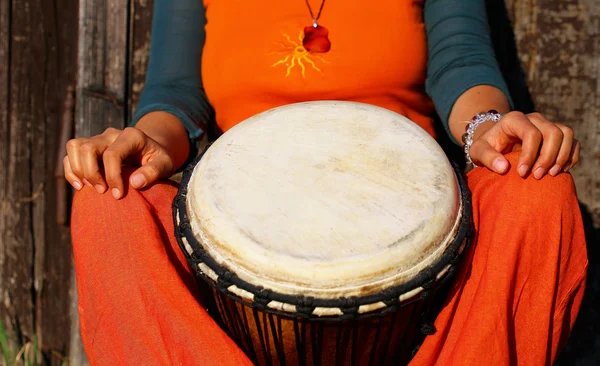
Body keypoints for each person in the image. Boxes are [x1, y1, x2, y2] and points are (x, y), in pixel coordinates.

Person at [64, 0, 588, 364]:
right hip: (245, 210)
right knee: (109, 201)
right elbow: (175, 93)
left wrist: (488, 128)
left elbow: (461, 61)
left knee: (537, 193)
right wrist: (146, 141)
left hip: (403, 208)